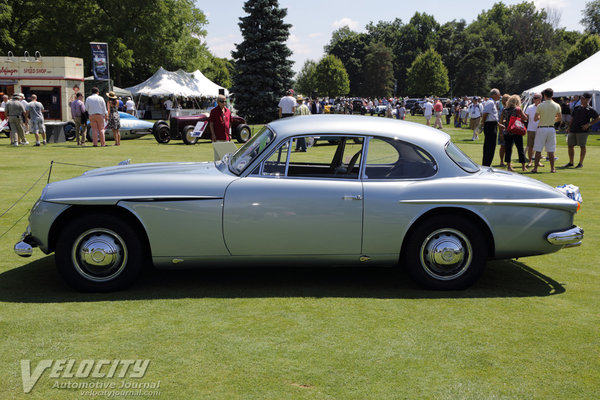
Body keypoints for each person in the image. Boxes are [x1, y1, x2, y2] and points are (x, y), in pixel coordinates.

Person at [564, 92, 600, 168]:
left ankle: (580, 163)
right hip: (573, 129)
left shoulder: (590, 109)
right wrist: (569, 127)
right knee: (570, 146)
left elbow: (598, 118)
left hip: (582, 131)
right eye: (581, 98)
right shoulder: (577, 108)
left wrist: (589, 124)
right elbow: (572, 119)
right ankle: (571, 162)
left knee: (582, 146)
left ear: (587, 99)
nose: (582, 99)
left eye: (583, 98)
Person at [532, 88, 562, 173]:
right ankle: (552, 168)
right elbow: (559, 118)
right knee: (551, 150)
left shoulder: (540, 105)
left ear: (544, 95)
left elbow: (535, 118)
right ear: (552, 95)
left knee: (538, 149)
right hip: (551, 128)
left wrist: (542, 118)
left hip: (542, 128)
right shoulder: (557, 105)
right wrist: (552, 120)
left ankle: (535, 168)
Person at [500, 95, 528, 172]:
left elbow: (502, 120)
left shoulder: (505, 110)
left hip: (508, 131)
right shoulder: (518, 109)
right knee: (520, 148)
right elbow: (525, 118)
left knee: (508, 149)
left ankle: (509, 166)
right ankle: (523, 166)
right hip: (516, 131)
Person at [481, 88, 501, 166]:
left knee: (491, 145)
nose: (500, 95)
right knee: (490, 146)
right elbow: (485, 114)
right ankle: (486, 164)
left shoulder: (493, 102)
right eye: (499, 94)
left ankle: (487, 164)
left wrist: (498, 124)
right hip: (490, 126)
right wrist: (482, 123)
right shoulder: (490, 102)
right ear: (494, 94)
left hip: (492, 124)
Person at [524, 93, 542, 167]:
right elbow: (525, 117)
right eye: (534, 98)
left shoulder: (543, 107)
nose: (534, 99)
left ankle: (537, 162)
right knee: (530, 146)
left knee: (539, 146)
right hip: (531, 129)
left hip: (540, 129)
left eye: (536, 97)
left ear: (540, 99)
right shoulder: (530, 107)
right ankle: (530, 161)